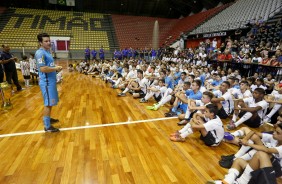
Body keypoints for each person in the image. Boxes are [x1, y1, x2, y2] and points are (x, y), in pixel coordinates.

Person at [35, 33, 62, 132]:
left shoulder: (47, 51)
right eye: (46, 41)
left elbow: (48, 66)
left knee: (50, 102)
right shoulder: (40, 53)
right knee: (48, 103)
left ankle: (48, 118)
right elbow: (42, 68)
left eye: (49, 40)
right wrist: (55, 68)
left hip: (51, 81)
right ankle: (47, 126)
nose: (48, 42)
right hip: (46, 82)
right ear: (40, 42)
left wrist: (55, 70)